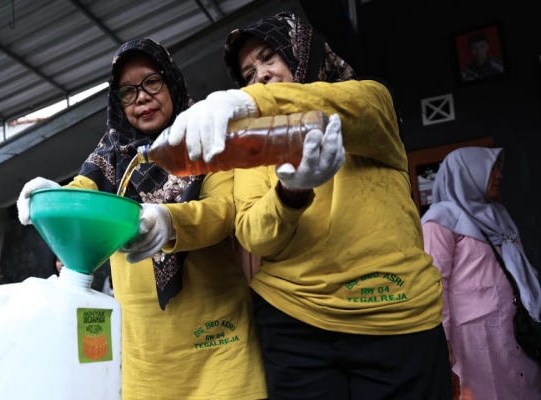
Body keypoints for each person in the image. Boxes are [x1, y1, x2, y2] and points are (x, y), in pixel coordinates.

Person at [166, 12, 451, 399]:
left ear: (303, 51)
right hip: (294, 320)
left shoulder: (368, 102)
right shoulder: (256, 150)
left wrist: (249, 101)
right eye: (248, 74)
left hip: (396, 315)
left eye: (269, 57)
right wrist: (291, 192)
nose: (261, 75)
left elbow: (343, 109)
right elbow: (254, 235)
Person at [17, 39, 266, 399]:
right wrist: (52, 195)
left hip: (218, 340)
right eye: (128, 92)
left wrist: (169, 220)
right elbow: (83, 194)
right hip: (146, 352)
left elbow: (223, 210)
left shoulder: (208, 139)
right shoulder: (110, 157)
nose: (142, 98)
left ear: (172, 81)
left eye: (152, 82)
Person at [421, 147, 541, 398]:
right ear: (468, 172)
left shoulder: (499, 216)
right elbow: (433, 284)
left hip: (518, 330)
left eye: (498, 168)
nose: (500, 176)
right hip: (474, 341)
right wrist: (440, 340)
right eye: (492, 169)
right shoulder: (440, 219)